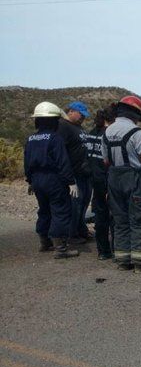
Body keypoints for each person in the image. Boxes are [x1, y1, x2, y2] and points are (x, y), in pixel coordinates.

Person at [102, 95, 141, 273]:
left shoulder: (106, 132)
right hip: (135, 179)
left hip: (114, 179)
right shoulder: (137, 133)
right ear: (135, 115)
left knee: (120, 220)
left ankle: (123, 260)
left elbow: (106, 162)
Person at [24, 102, 79, 259]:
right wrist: (71, 182)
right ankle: (61, 249)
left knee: (44, 209)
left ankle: (44, 242)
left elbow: (26, 162)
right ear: (54, 121)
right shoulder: (55, 139)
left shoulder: (31, 139)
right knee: (60, 210)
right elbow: (63, 162)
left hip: (37, 179)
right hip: (54, 179)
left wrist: (30, 181)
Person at [58, 101, 92, 244]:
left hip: (85, 173)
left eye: (84, 116)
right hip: (73, 173)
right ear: (71, 111)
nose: (82, 118)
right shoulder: (63, 127)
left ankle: (81, 229)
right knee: (75, 205)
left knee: (84, 203)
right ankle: (71, 234)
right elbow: (61, 151)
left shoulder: (79, 127)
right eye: (80, 115)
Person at [85, 106, 115, 259]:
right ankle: (116, 248)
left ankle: (103, 251)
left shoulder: (90, 134)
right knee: (114, 216)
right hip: (107, 180)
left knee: (100, 217)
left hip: (94, 181)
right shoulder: (109, 135)